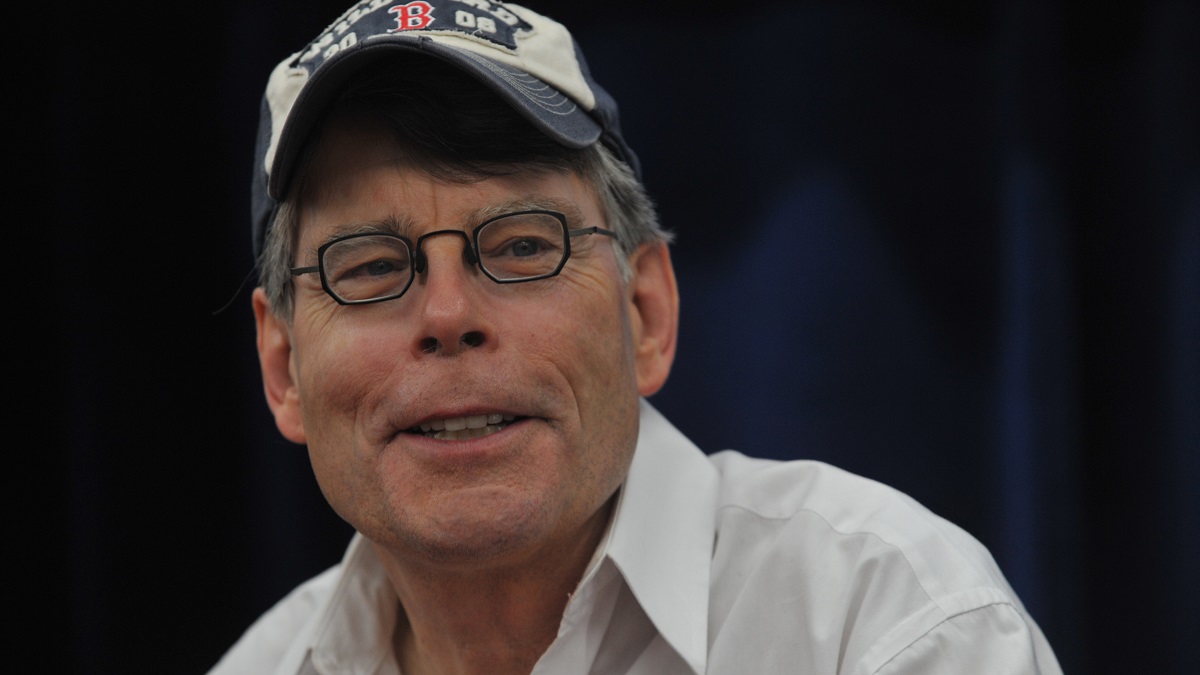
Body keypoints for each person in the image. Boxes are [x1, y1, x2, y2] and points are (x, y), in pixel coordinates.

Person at [211, 1, 1063, 673]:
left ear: (646, 312)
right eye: (368, 267)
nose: (446, 315)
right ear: (282, 367)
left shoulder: (889, 628)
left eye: (522, 246)